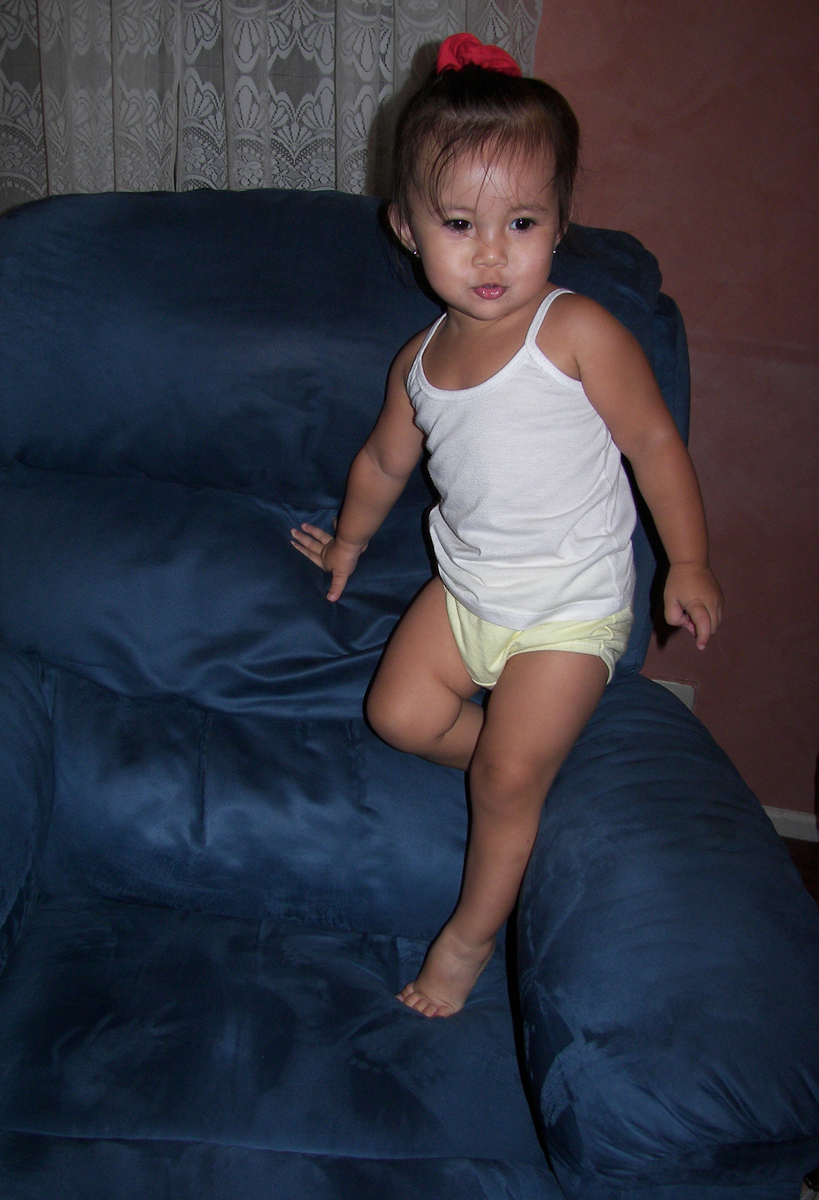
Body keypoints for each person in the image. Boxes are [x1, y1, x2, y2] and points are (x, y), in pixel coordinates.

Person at [291, 33, 723, 1018]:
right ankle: (519, 760)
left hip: (568, 608)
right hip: (469, 590)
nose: (491, 251)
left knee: (502, 779)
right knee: (397, 716)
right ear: (407, 228)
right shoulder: (418, 362)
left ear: (560, 222)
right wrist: (349, 540)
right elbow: (384, 462)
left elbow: (654, 442)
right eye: (460, 223)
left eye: (521, 221)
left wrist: (690, 560)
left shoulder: (574, 332)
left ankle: (468, 938)